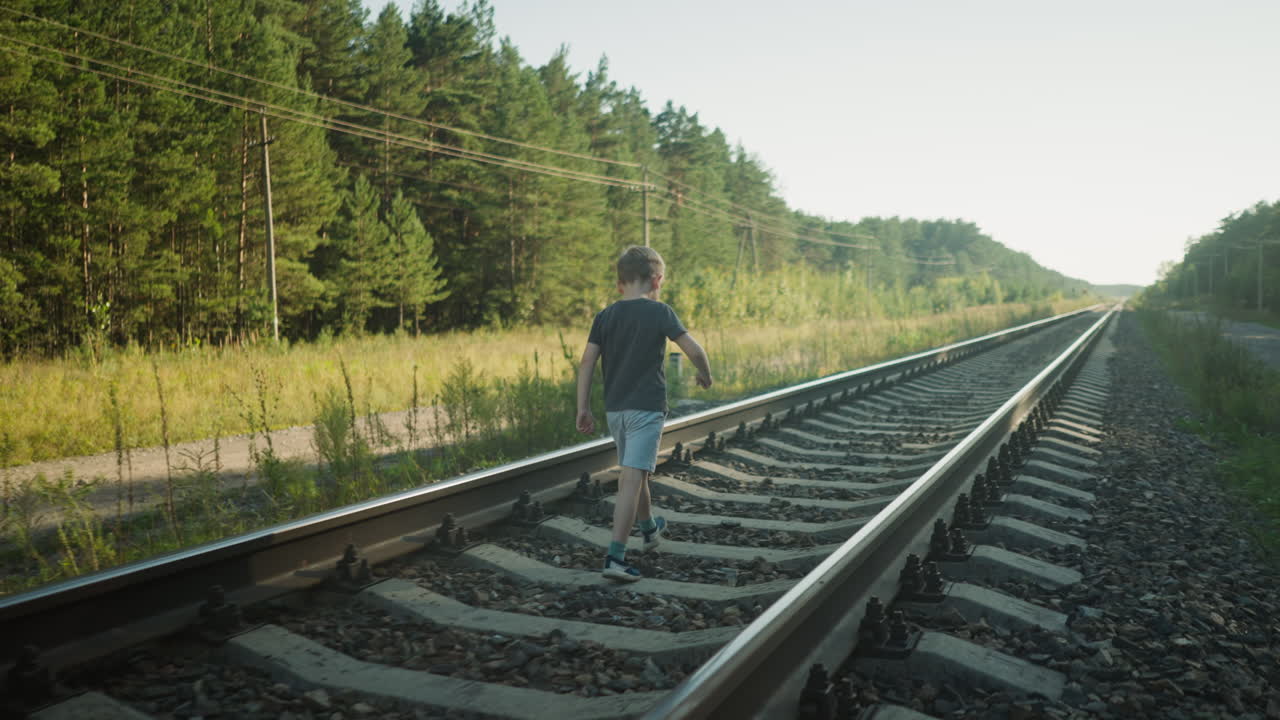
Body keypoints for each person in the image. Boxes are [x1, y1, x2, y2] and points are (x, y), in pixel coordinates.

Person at [576, 246, 713, 582]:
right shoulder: (660, 312)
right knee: (631, 479)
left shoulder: (605, 316)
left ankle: (650, 529)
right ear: (657, 280)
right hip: (647, 409)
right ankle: (615, 557)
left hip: (616, 410)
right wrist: (705, 374)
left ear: (619, 282)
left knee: (637, 474)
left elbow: (587, 362)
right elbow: (694, 348)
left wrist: (583, 407)